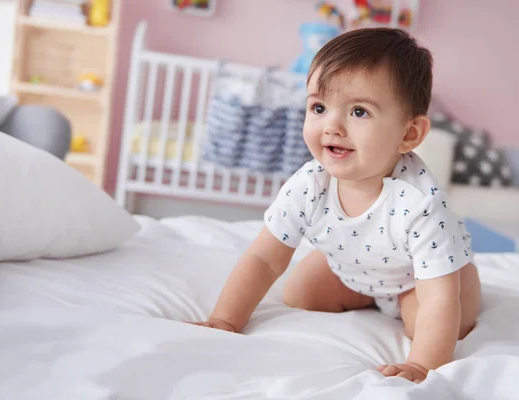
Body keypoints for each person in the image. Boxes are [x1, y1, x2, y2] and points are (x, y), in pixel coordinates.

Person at [189, 27, 482, 384]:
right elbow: (264, 258)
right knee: (300, 292)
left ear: (409, 134)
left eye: (359, 111)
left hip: (419, 281)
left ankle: (436, 303)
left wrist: (420, 366)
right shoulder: (311, 183)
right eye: (319, 107)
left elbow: (438, 300)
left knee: (438, 323)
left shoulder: (420, 203)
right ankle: (366, 295)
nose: (332, 125)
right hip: (355, 270)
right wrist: (225, 320)